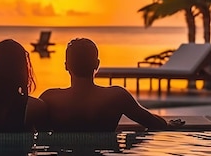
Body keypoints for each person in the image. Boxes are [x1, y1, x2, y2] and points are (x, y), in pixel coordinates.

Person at [39, 38, 185, 132]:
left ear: (66, 66)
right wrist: (169, 124)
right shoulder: (116, 96)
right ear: (97, 64)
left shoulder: (50, 98)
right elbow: (153, 123)